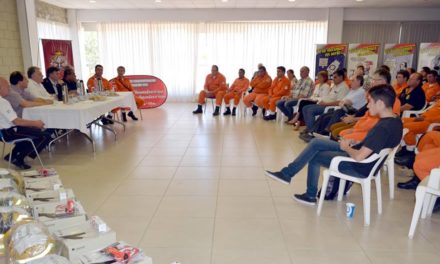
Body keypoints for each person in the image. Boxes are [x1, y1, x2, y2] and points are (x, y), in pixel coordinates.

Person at [265, 84, 403, 205]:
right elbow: (375, 144)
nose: (367, 106)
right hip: (366, 156)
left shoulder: (382, 127)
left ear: (380, 103)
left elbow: (360, 157)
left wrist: (347, 147)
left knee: (315, 157)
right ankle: (287, 174)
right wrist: (356, 142)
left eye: (370, 102)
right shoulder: (395, 120)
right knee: (316, 143)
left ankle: (310, 195)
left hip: (360, 166)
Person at [337, 69, 401, 143]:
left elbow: (383, 124)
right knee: (342, 133)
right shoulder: (375, 96)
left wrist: (354, 122)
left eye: (374, 80)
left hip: (373, 132)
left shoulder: (392, 100)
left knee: (343, 137)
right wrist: (355, 128)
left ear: (383, 81)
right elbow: (367, 116)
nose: (372, 82)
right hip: (363, 128)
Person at [0, 77, 51, 170]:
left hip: (5, 131)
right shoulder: (2, 102)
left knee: (35, 131)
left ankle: (12, 155)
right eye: (7, 86)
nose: (9, 88)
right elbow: (17, 121)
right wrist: (35, 123)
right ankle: (18, 158)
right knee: (44, 136)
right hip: (8, 132)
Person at [299, 69, 349, 142]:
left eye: (335, 77)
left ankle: (311, 133)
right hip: (323, 103)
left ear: (341, 77)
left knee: (310, 110)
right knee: (305, 108)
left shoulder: (344, 87)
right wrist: (321, 101)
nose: (333, 79)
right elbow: (329, 97)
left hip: (329, 107)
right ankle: (310, 130)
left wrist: (325, 103)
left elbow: (339, 102)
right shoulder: (335, 86)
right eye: (333, 77)